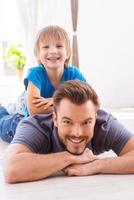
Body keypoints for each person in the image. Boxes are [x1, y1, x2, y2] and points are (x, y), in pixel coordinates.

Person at [3, 80, 134, 184]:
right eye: (67, 122)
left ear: (95, 118)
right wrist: (70, 158)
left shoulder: (104, 123)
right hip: (14, 123)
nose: (77, 133)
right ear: (55, 118)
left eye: (86, 122)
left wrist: (96, 165)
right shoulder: (35, 126)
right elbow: (10, 169)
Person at [0, 25, 86, 142]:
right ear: (38, 55)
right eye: (46, 47)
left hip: (54, 122)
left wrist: (56, 100)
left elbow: (88, 101)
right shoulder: (35, 74)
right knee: (3, 123)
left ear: (68, 53)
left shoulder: (74, 74)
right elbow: (34, 110)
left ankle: (15, 106)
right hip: (28, 122)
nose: (53, 51)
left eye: (59, 46)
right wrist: (69, 104)